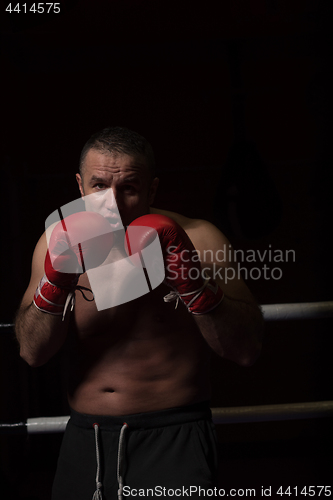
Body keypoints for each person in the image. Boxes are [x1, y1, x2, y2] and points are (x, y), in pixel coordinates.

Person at [14, 127, 264, 500]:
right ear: (80, 186)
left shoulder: (200, 239)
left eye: (128, 188)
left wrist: (197, 289)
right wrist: (54, 286)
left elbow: (246, 349)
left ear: (152, 189)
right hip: (87, 438)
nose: (112, 204)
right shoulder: (54, 243)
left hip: (174, 436)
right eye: (99, 187)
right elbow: (32, 352)